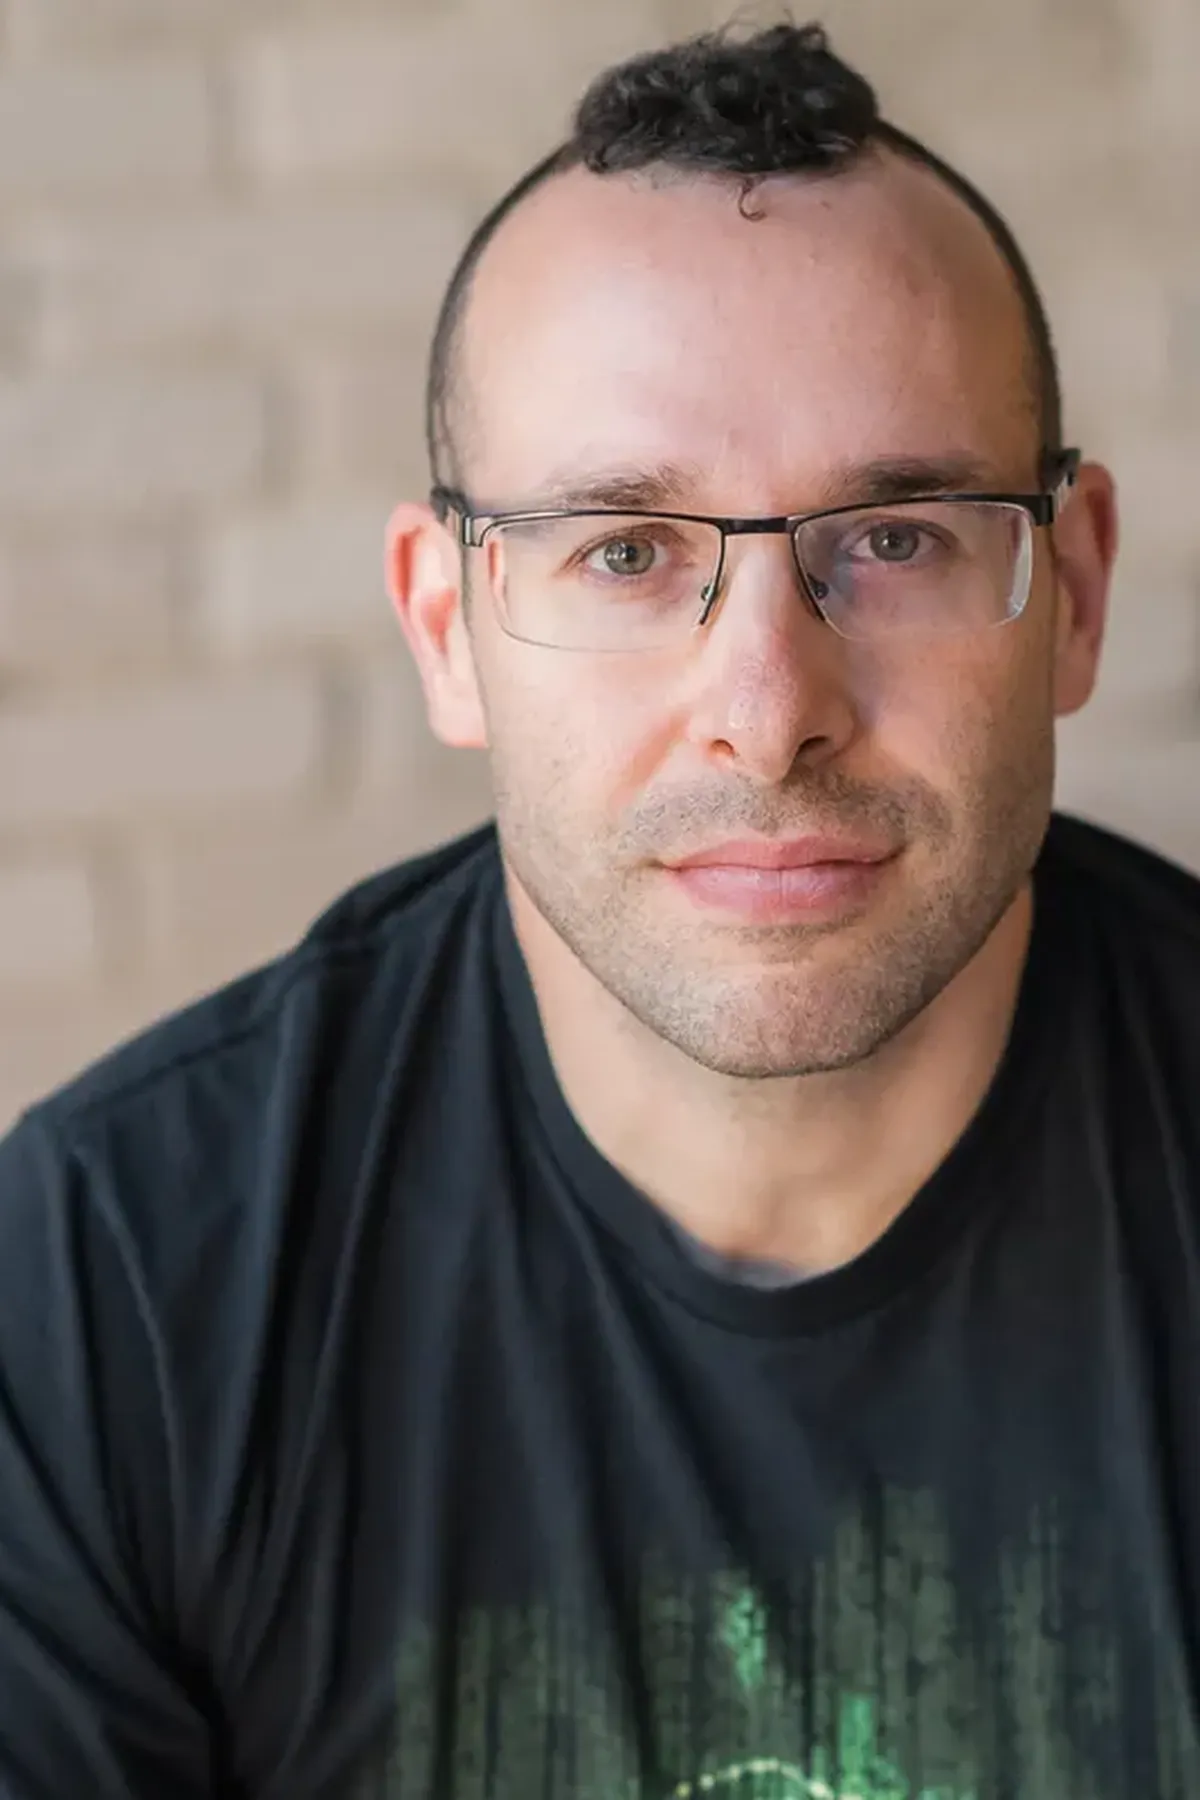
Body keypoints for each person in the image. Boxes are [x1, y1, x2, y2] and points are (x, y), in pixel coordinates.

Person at [1, 16, 1197, 1796]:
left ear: (1075, 593)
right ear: (446, 627)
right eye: (627, 553)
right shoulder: (116, 1290)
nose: (770, 709)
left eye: (896, 538)